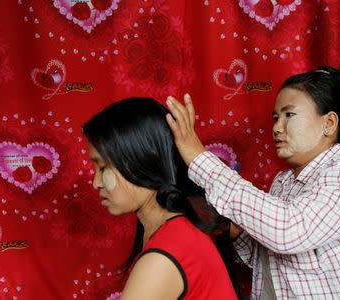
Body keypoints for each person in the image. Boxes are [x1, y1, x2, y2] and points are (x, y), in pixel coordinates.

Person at [166, 66, 340, 299]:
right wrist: (236, 232)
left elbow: (289, 231)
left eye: (289, 115)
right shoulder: (283, 182)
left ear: (329, 123)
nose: (276, 127)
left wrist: (199, 159)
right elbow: (272, 256)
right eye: (276, 118)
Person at [83, 98, 238, 300]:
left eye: (103, 168)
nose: (96, 183)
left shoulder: (164, 256)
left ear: (144, 160)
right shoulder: (178, 233)